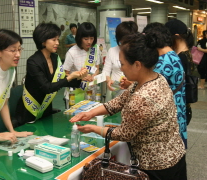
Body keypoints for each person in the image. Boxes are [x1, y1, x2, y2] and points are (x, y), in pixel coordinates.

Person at [70, 33, 187, 180]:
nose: (121, 68)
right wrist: (91, 113)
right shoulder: (155, 78)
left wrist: (94, 129)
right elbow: (118, 102)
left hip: (157, 166)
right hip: (175, 154)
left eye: (123, 64)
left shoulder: (142, 98)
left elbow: (124, 134)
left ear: (137, 64)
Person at [16, 23, 87, 123]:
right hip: (29, 112)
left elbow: (63, 81)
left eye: (58, 39)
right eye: (54, 40)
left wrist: (81, 78)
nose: (57, 43)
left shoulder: (55, 58)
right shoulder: (33, 62)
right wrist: (70, 77)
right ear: (43, 41)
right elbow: (47, 88)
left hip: (46, 110)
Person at [165, 19, 194, 125]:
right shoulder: (187, 53)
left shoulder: (180, 58)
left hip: (179, 108)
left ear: (176, 36)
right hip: (185, 107)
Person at [63, 22, 100, 103]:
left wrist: (93, 76)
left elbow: (97, 68)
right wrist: (80, 77)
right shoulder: (71, 52)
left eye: (92, 38)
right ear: (79, 38)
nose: (89, 42)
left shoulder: (95, 49)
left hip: (90, 91)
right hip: (75, 93)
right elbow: (65, 75)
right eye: (86, 39)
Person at [102, 21, 138, 101]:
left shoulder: (138, 52)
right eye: (122, 41)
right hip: (116, 92)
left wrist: (131, 83)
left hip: (134, 93)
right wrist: (109, 81)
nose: (125, 44)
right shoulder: (112, 51)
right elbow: (105, 72)